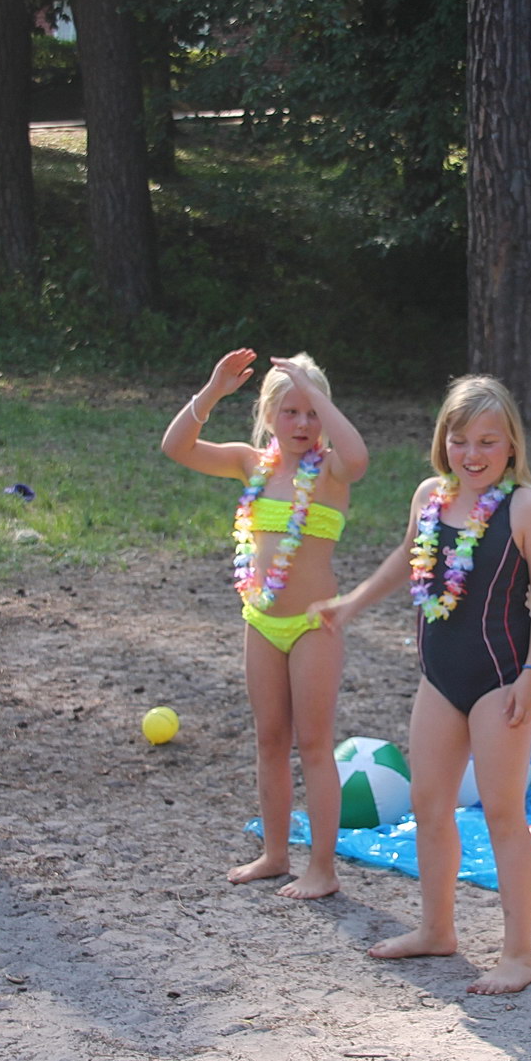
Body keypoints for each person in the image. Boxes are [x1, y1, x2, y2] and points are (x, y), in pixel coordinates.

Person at [315, 376, 531, 994]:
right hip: (439, 678)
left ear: (511, 445)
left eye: (487, 441)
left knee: (503, 813)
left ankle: (520, 953)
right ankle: (436, 928)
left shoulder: (526, 508)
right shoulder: (430, 496)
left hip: (500, 678)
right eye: (460, 440)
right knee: (428, 804)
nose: (472, 454)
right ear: (442, 441)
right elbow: (408, 557)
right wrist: (351, 603)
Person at [160, 348, 367, 899]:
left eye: (312, 413)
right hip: (262, 621)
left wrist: (317, 392)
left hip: (313, 626)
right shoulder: (251, 464)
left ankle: (322, 868)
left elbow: (359, 458)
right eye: (290, 411)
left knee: (314, 744)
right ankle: (275, 854)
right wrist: (212, 390)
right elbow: (176, 447)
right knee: (270, 740)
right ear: (269, 414)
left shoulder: (332, 471)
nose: (302, 424)